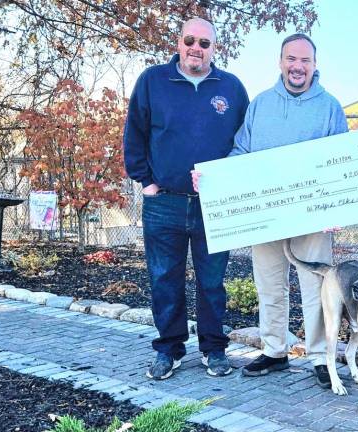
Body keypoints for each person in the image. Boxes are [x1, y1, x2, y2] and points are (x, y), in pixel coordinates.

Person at [195, 33, 348, 388]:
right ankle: (275, 350)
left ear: (314, 65)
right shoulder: (260, 105)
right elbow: (241, 152)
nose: (298, 66)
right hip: (265, 216)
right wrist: (216, 178)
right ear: (280, 62)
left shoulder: (330, 107)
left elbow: (341, 160)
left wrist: (339, 205)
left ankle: (320, 357)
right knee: (269, 285)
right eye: (291, 59)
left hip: (312, 218)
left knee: (317, 288)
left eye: (305, 61)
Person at [123, 17, 249, 380]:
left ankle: (214, 349)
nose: (197, 48)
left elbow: (246, 143)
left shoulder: (232, 88)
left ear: (214, 48)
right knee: (164, 279)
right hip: (165, 203)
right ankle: (170, 349)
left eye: (205, 43)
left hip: (216, 205)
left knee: (212, 282)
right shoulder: (153, 82)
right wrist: (146, 182)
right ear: (178, 42)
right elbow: (135, 134)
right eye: (190, 40)